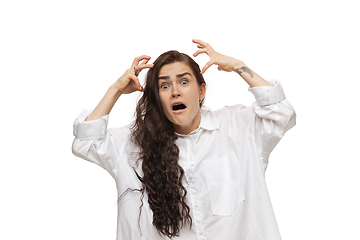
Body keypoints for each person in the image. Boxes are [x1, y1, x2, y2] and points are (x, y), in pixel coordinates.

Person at [72, 39, 296, 240]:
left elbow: (281, 112)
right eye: (164, 85)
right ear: (157, 98)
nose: (175, 92)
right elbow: (86, 142)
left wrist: (238, 65)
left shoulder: (238, 126)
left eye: (184, 82)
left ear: (201, 91)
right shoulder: (133, 144)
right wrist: (116, 89)